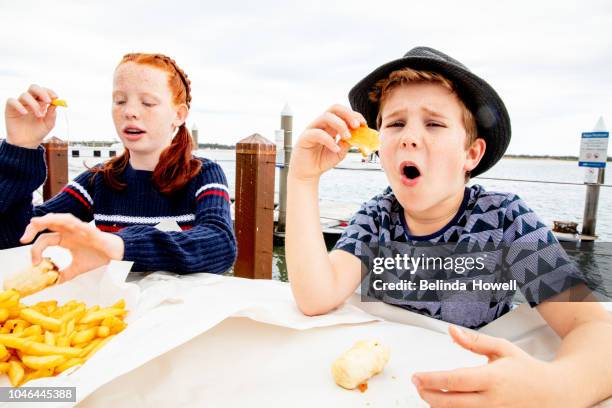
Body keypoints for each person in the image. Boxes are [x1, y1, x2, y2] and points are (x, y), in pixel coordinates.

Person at [286, 47, 612, 406]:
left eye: (434, 123)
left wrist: (557, 389)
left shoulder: (506, 222)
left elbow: (594, 328)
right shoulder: (377, 219)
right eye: (394, 124)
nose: (409, 136)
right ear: (378, 147)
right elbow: (317, 297)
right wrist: (302, 180)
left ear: (470, 154)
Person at [0, 53, 236, 281]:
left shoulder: (203, 174)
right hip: (116, 313)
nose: (129, 112)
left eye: (148, 103)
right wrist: (20, 149)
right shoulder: (98, 180)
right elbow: (18, 236)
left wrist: (119, 245)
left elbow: (220, 243)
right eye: (120, 100)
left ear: (179, 114)